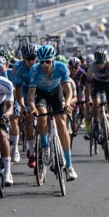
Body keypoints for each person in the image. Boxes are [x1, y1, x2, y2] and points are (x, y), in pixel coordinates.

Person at [25, 44, 76, 181]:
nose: (44, 64)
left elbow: (68, 88)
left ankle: (69, 166)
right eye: (41, 61)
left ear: (53, 60)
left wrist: (68, 102)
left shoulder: (61, 67)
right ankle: (45, 144)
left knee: (61, 123)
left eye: (47, 61)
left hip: (55, 92)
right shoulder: (35, 70)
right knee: (42, 115)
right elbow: (31, 95)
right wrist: (33, 109)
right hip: (41, 94)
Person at [86, 49, 109, 151]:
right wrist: (89, 98)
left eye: (101, 62)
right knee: (95, 103)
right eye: (97, 62)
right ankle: (97, 124)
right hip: (98, 84)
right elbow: (88, 84)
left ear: (105, 60)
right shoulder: (92, 66)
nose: (99, 64)